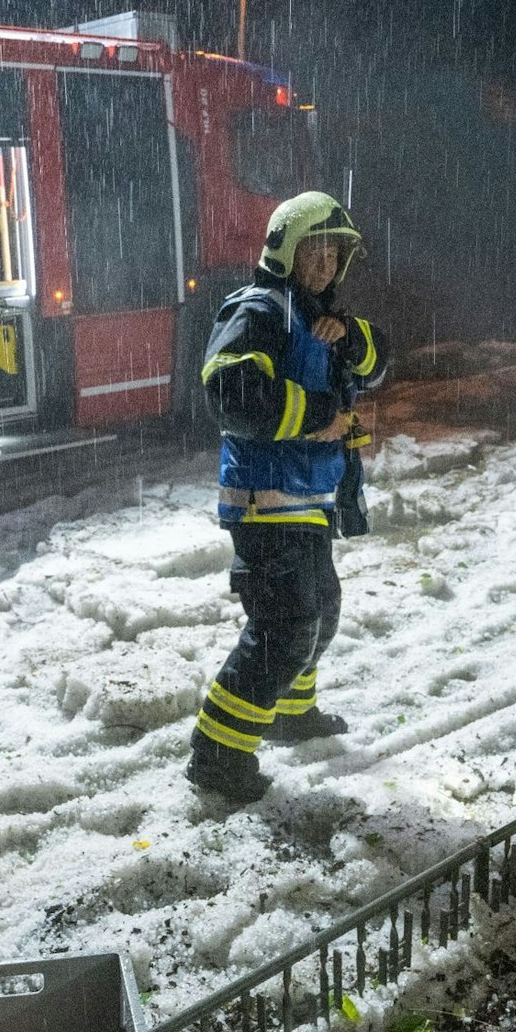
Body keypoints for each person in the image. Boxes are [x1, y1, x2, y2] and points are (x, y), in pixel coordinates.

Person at [187, 191, 390, 803]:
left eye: (335, 251)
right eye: (314, 248)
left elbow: (379, 362)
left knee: (319, 611)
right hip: (263, 500)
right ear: (285, 250)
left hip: (306, 499)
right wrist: (322, 417)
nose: (325, 261)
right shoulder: (257, 309)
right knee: (284, 626)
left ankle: (288, 714)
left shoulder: (318, 317)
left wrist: (352, 337)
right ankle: (217, 759)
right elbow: (233, 395)